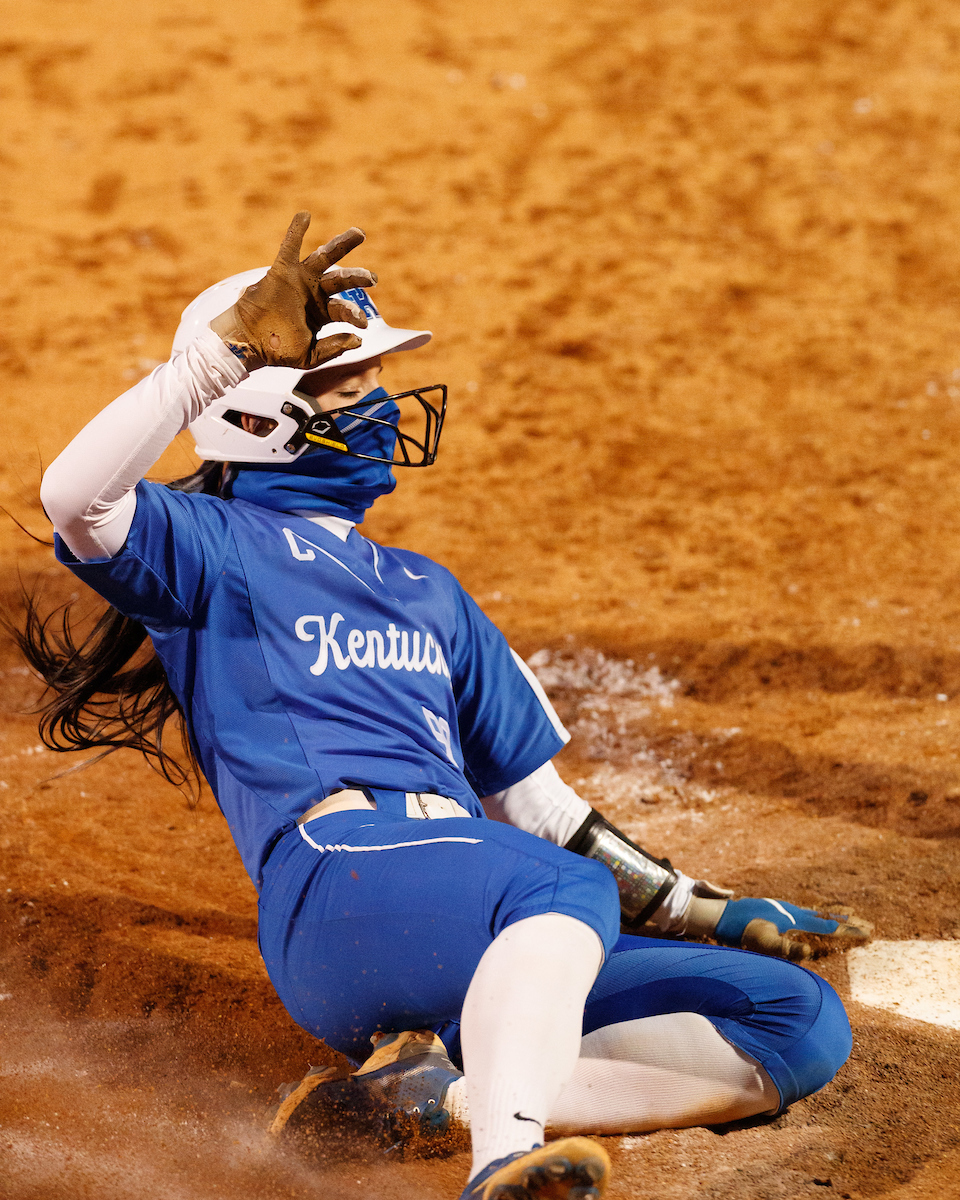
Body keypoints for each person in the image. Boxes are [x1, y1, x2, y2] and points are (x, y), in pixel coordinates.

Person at [24, 214, 856, 1200]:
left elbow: (542, 811)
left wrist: (700, 910)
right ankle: (504, 1162)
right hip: (341, 896)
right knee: (558, 891)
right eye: (347, 383)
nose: (379, 401)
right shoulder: (210, 546)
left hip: (481, 909)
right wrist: (214, 359)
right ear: (258, 416)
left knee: (795, 1021)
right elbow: (75, 497)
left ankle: (439, 1095)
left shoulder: (429, 591)